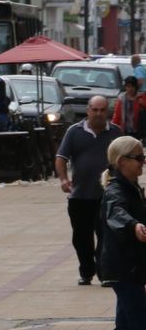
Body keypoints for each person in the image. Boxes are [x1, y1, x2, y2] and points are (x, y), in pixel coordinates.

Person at [95, 135, 146, 330]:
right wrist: (133, 226)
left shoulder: (133, 187)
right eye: (138, 158)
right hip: (122, 268)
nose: (143, 162)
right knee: (140, 322)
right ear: (122, 161)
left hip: (131, 267)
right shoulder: (116, 191)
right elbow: (117, 214)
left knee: (126, 324)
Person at [56, 96, 123, 285]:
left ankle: (104, 273)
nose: (99, 114)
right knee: (81, 237)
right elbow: (61, 158)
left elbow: (125, 159)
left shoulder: (116, 133)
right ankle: (86, 271)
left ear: (107, 112)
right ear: (88, 110)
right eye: (95, 110)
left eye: (102, 110)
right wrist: (63, 179)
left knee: (106, 235)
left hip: (108, 196)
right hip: (80, 196)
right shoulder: (74, 132)